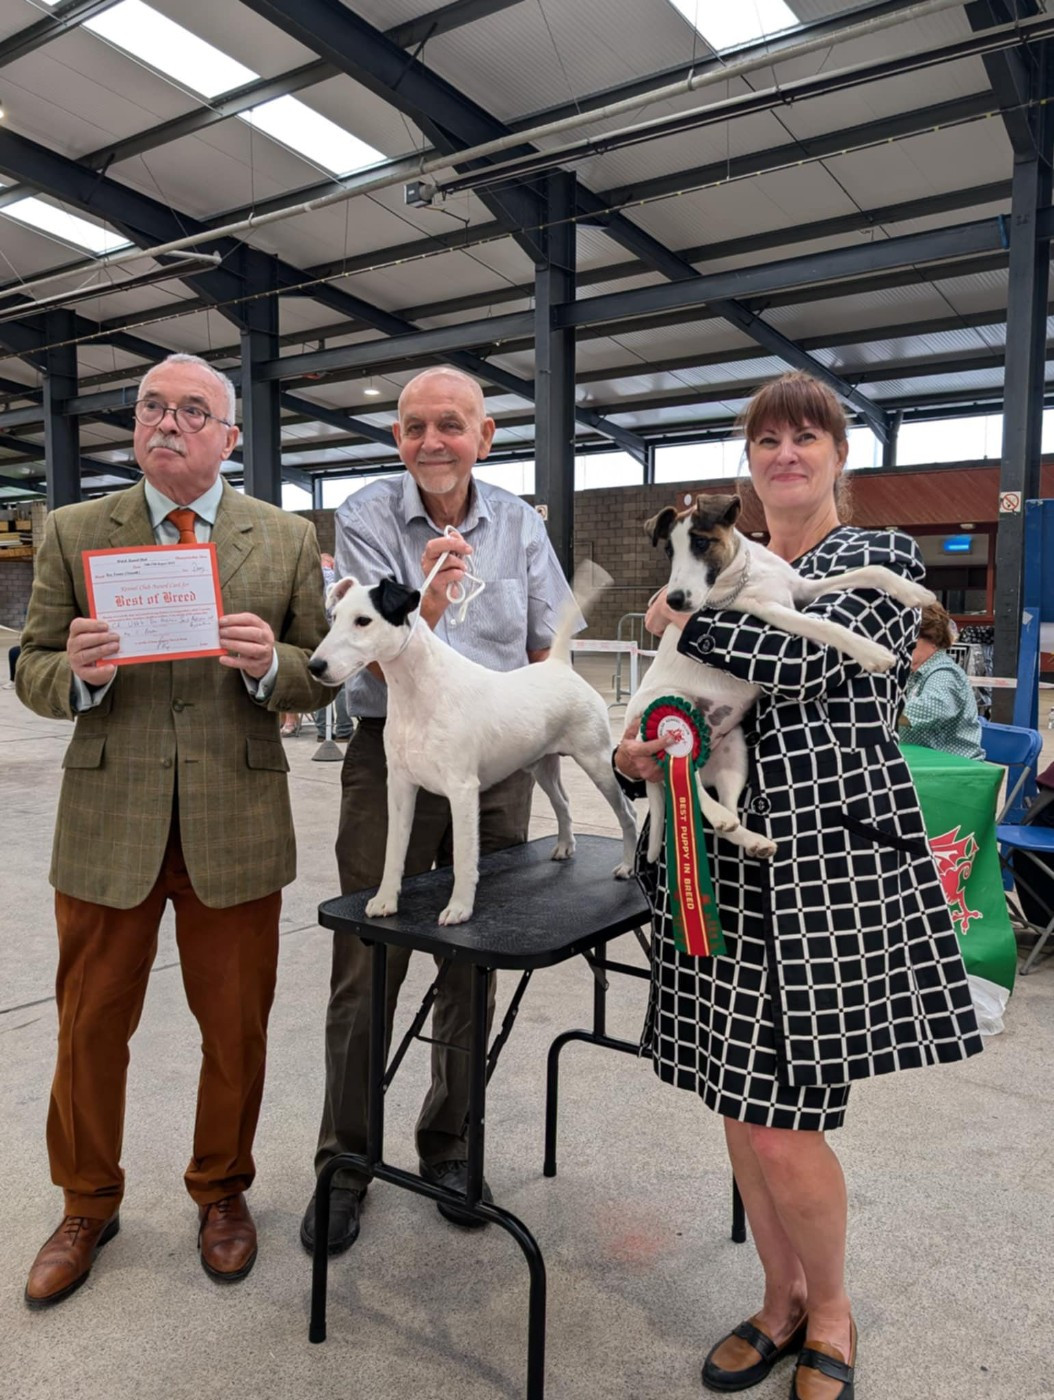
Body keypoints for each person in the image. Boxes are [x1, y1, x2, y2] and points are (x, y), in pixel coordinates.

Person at [614, 371, 982, 1399]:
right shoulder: (716, 567)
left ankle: (831, 1310)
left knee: (784, 1121)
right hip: (718, 864)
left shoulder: (880, 557)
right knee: (738, 1103)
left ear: (838, 455)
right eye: (767, 439)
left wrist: (678, 611)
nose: (785, 453)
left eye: (806, 436)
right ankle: (777, 1298)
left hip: (827, 868)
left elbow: (801, 661)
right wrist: (637, 755)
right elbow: (670, 701)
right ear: (747, 463)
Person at [15, 352, 329, 1307]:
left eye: (193, 411)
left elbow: (324, 667)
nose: (166, 422)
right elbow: (30, 668)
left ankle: (222, 1190)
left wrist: (272, 666)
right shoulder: (74, 531)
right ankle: (86, 1201)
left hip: (236, 824)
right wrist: (77, 675)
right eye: (152, 406)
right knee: (88, 1026)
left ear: (229, 437)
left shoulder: (285, 536)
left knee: (234, 1030)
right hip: (110, 822)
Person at [301, 365, 578, 1254]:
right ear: (397, 438)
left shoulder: (522, 526)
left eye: (451, 424)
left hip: (494, 763)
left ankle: (451, 1144)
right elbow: (369, 633)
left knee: (471, 962)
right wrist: (422, 593)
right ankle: (346, 1162)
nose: (432, 441)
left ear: (484, 437)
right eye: (415, 425)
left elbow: (550, 645)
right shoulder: (364, 516)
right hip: (392, 756)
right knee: (366, 958)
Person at [899, 601, 984, 759]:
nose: (901, 647)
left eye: (909, 642)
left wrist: (879, 710)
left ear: (933, 639)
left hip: (956, 765)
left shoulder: (945, 673)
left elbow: (930, 709)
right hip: (926, 761)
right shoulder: (913, 672)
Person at [313, 552, 353, 740]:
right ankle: (344, 728)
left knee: (321, 681)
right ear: (330, 563)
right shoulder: (330, 576)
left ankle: (323, 730)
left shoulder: (312, 576)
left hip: (316, 635)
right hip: (334, 636)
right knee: (341, 683)